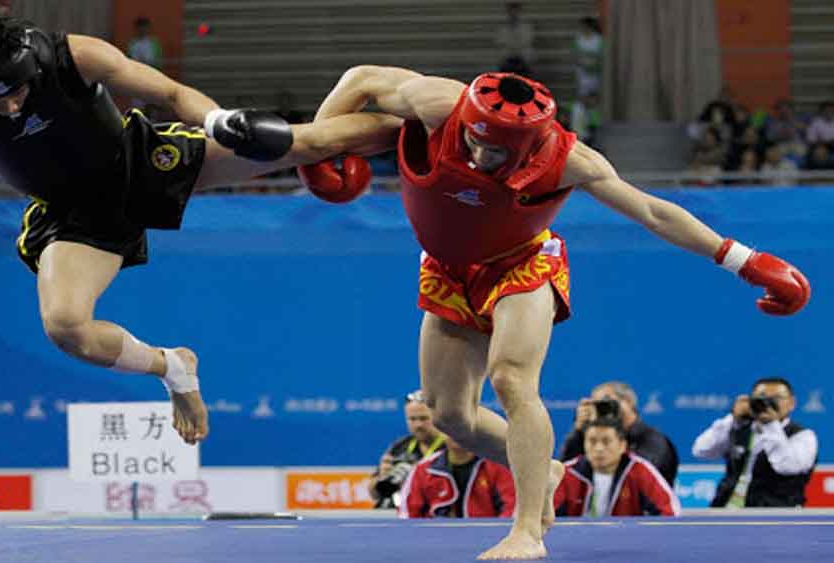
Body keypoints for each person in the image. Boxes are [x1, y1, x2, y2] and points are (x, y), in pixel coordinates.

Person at [297, 66, 811, 559]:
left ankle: (527, 529)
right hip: (448, 269)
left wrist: (745, 261)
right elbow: (361, 78)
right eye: (474, 138)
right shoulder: (438, 102)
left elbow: (653, 211)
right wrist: (317, 155)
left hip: (523, 265)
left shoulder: (569, 158)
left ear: (524, 147)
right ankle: (544, 470)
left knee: (511, 380)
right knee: (449, 415)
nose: (477, 152)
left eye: (494, 148)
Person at [0, 5, 401, 445]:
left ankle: (429, 130)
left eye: (17, 90)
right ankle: (174, 368)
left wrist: (216, 120)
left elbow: (168, 94)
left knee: (303, 142)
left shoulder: (75, 55)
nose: (11, 106)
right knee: (66, 327)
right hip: (70, 212)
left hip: (138, 161)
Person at [692, 377, 818, 507]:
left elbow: (786, 466)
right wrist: (732, 419)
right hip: (726, 510)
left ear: (792, 403)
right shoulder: (738, 427)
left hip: (778, 515)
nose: (768, 404)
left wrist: (770, 424)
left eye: (777, 398)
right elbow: (701, 450)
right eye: (762, 398)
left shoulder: (803, 436)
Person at [554, 417, 680, 517]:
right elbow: (545, 516)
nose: (599, 448)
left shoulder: (640, 471)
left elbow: (669, 512)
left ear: (622, 445)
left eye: (606, 441)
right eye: (592, 441)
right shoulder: (567, 473)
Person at [559, 381, 678, 485]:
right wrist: (579, 431)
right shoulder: (590, 439)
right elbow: (565, 472)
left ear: (629, 402)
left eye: (607, 401)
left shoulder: (653, 439)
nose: (603, 407)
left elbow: (640, 478)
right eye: (597, 404)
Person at [400, 434, 516, 518]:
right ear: (441, 431)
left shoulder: (497, 465)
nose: (456, 432)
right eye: (449, 427)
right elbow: (408, 515)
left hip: (488, 542)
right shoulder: (423, 469)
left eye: (461, 427)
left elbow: (512, 509)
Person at [369, 390, 446, 509]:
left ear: (438, 417)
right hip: (398, 512)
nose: (418, 425)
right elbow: (374, 493)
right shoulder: (399, 446)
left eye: (424, 418)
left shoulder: (452, 447)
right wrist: (382, 478)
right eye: (412, 419)